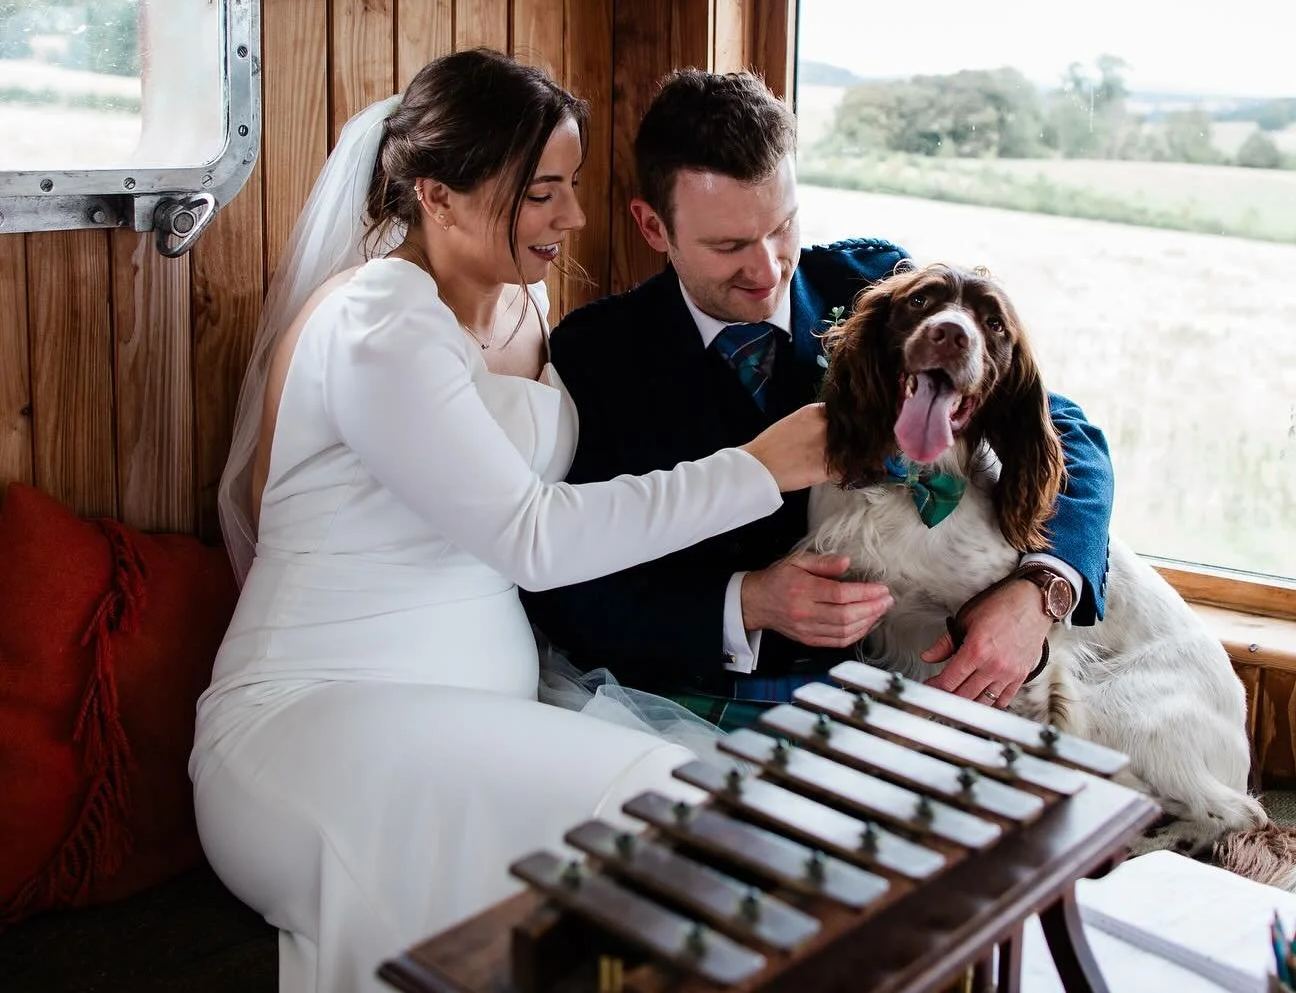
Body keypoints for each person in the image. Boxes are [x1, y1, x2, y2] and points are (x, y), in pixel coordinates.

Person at [188, 51, 830, 993]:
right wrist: (755, 470)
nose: (573, 217)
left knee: (706, 835)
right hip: (318, 724)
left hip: (483, 722)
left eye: (570, 187)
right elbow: (533, 535)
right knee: (664, 804)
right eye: (541, 193)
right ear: (438, 196)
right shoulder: (377, 322)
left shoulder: (531, 313)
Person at [523, 69, 1114, 730]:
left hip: (897, 692)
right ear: (653, 226)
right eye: (729, 246)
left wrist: (1042, 591)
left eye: (783, 227)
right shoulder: (599, 355)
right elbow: (568, 586)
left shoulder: (874, 283)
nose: (770, 270)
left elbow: (1065, 431)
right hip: (706, 703)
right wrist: (742, 604)